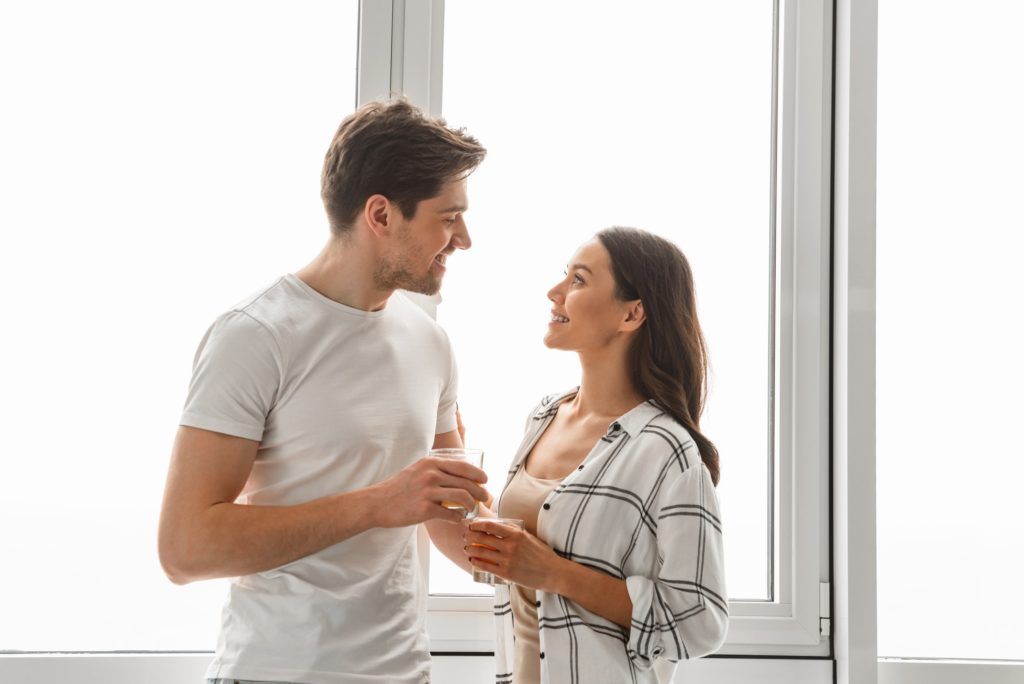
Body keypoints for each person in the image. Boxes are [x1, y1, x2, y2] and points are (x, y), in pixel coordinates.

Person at [157, 97, 491, 684]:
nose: (464, 238)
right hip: (274, 673)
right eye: (448, 216)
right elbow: (185, 549)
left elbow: (442, 515)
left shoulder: (430, 341)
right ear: (381, 215)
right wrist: (377, 504)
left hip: (404, 674)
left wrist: (539, 557)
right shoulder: (255, 336)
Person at [463, 227, 729, 684]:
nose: (555, 292)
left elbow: (700, 622)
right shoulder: (544, 416)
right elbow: (523, 562)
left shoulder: (667, 450)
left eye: (579, 280)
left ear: (633, 313)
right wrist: (466, 499)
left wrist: (556, 574)